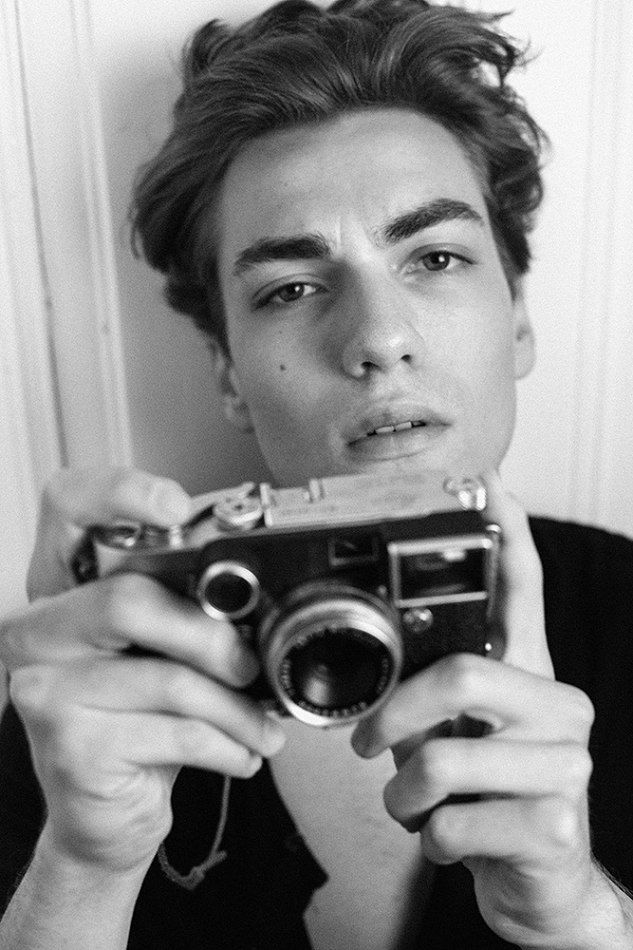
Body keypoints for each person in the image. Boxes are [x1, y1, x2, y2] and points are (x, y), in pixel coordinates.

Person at [1, 1, 632, 947]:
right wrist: (81, 873)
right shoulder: (107, 667)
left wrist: (579, 917)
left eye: (434, 257)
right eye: (291, 288)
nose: (377, 338)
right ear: (229, 372)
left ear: (517, 320)